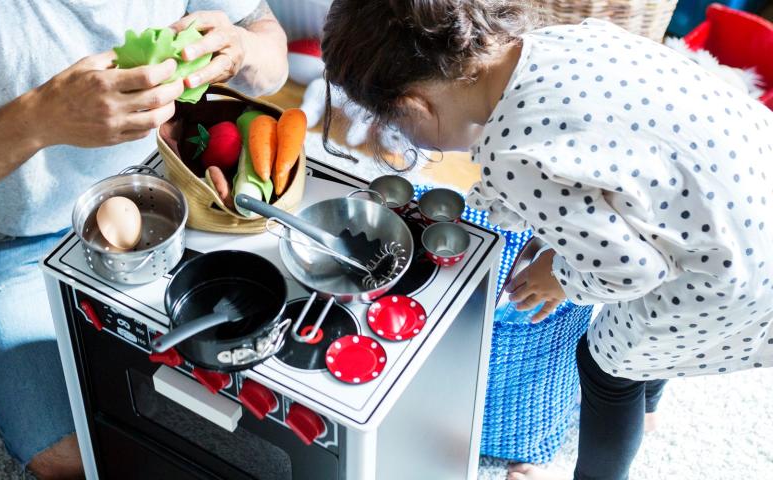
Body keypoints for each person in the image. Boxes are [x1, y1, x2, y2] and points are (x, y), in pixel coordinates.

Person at [320, 1, 773, 479]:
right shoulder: (562, 40)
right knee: (657, 334)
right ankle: (652, 400)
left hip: (736, 280)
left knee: (607, 369)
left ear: (416, 107)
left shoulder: (516, 155)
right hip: (746, 192)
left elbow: (636, 271)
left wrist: (561, 277)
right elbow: (607, 168)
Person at [0, 1, 287, 478]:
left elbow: (271, 52)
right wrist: (37, 118)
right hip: (17, 238)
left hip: (169, 186)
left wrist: (243, 49)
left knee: (276, 385)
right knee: (76, 455)